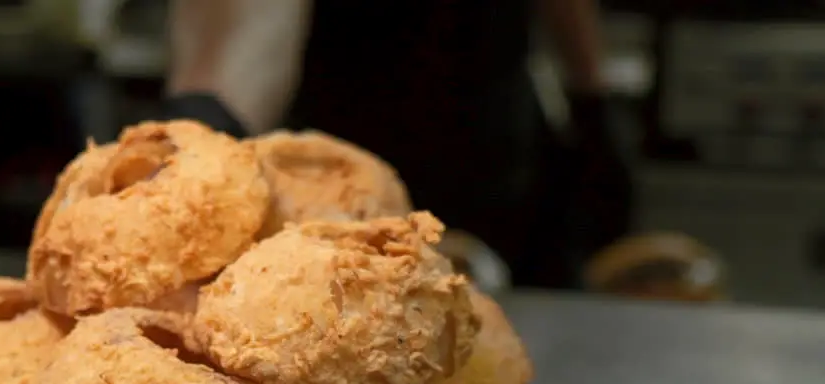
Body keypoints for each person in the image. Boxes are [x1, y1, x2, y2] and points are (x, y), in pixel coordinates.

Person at [159, 0, 634, 290]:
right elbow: (239, 25)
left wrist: (590, 100)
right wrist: (206, 122)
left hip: (490, 132)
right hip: (336, 155)